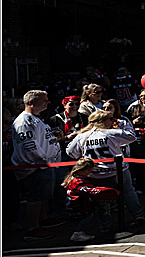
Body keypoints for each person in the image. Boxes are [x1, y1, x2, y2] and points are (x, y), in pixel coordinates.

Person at [11, 90, 63, 240]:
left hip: (45, 165)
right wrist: (43, 160)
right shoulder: (24, 121)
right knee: (37, 196)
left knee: (44, 194)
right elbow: (28, 145)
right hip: (36, 166)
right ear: (32, 102)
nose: (48, 103)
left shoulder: (36, 118)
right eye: (44, 100)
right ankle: (33, 227)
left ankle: (43, 218)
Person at [62, 158, 119, 242]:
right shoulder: (78, 182)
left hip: (77, 203)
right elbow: (88, 190)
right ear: (81, 170)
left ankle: (80, 231)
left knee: (88, 215)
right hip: (77, 205)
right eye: (88, 170)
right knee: (88, 216)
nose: (90, 172)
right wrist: (104, 191)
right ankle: (77, 233)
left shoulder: (73, 178)